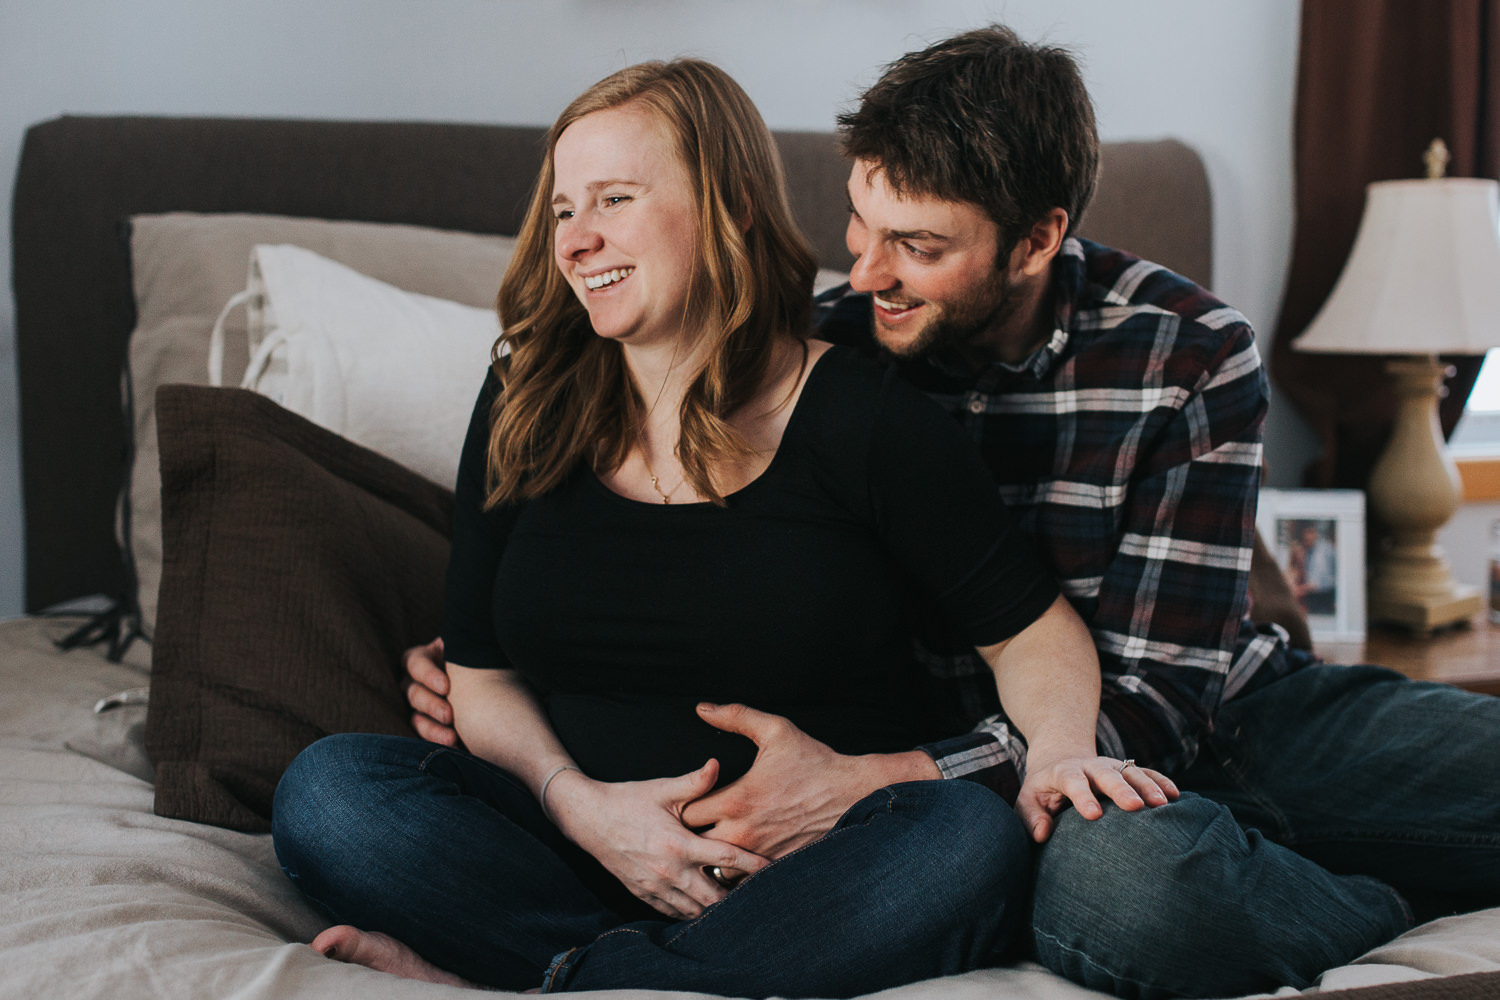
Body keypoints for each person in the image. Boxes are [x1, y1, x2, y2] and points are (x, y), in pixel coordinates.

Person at [405, 25, 1500, 1000]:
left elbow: (1163, 697)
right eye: (860, 224)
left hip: (1196, 709)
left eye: (919, 248)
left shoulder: (1186, 350)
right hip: (1035, 790)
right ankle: (1370, 901)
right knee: (1131, 889)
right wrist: (499, 681)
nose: (866, 273)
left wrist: (875, 779)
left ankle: (1305, 856)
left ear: (1036, 240)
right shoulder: (819, 354)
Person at [272, 58, 1172, 998]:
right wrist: (583, 810)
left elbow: (1032, 634)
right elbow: (482, 676)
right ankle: (626, 974)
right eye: (563, 209)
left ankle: (548, 976)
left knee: (964, 842)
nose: (577, 242)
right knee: (332, 793)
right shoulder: (523, 395)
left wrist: (1064, 750)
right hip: (568, 847)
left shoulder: (863, 416)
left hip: (800, 874)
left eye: (614, 199)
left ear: (730, 203)